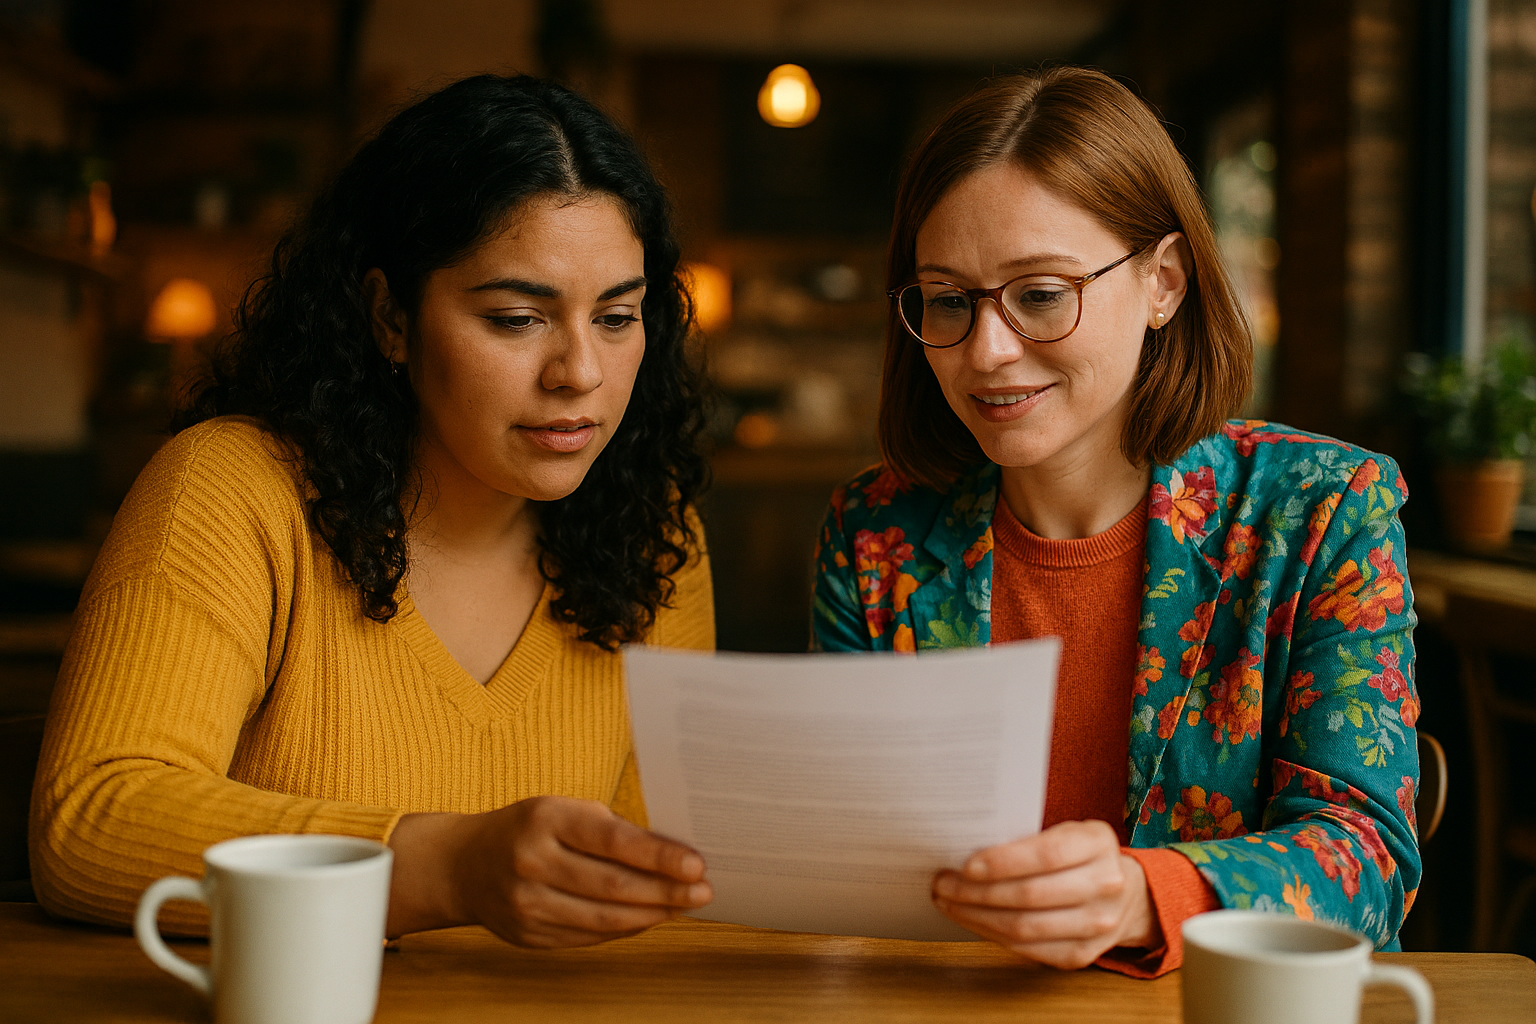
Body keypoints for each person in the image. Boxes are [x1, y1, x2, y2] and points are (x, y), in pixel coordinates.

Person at [31, 75, 718, 948]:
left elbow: (652, 887)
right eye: (516, 318)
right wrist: (444, 866)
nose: (579, 371)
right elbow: (92, 819)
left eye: (618, 316)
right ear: (390, 317)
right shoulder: (234, 492)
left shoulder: (655, 534)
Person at [811, 67, 1420, 978]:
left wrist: (1143, 894)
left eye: (1042, 293)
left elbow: (1366, 860)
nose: (988, 351)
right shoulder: (876, 531)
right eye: (949, 300)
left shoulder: (1324, 509)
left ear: (1163, 282)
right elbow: (837, 842)